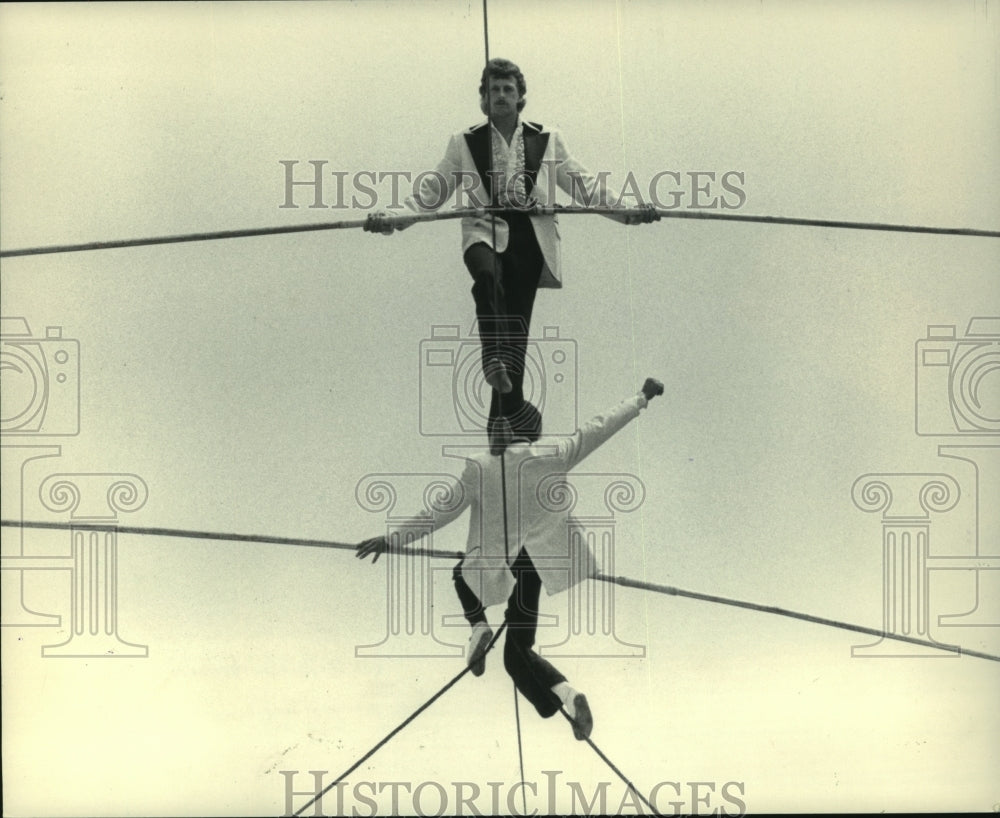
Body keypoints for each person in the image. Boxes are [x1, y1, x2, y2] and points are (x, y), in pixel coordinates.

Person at [356, 376, 665, 740]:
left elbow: (440, 511)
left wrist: (395, 539)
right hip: (537, 565)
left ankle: (479, 627)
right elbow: (601, 427)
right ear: (532, 433)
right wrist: (642, 397)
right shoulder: (555, 453)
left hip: (500, 563)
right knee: (517, 654)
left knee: (461, 574)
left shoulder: (480, 466)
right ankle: (569, 694)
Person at [364, 58, 659, 433]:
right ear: (483, 100)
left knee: (516, 333)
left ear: (520, 98)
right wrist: (392, 217)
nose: (501, 96)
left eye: (508, 89)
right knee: (487, 280)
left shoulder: (547, 138)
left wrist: (631, 211)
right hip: (482, 230)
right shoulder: (463, 141)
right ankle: (492, 359)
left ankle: (504, 423)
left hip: (529, 239)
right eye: (493, 90)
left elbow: (584, 186)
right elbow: (431, 191)